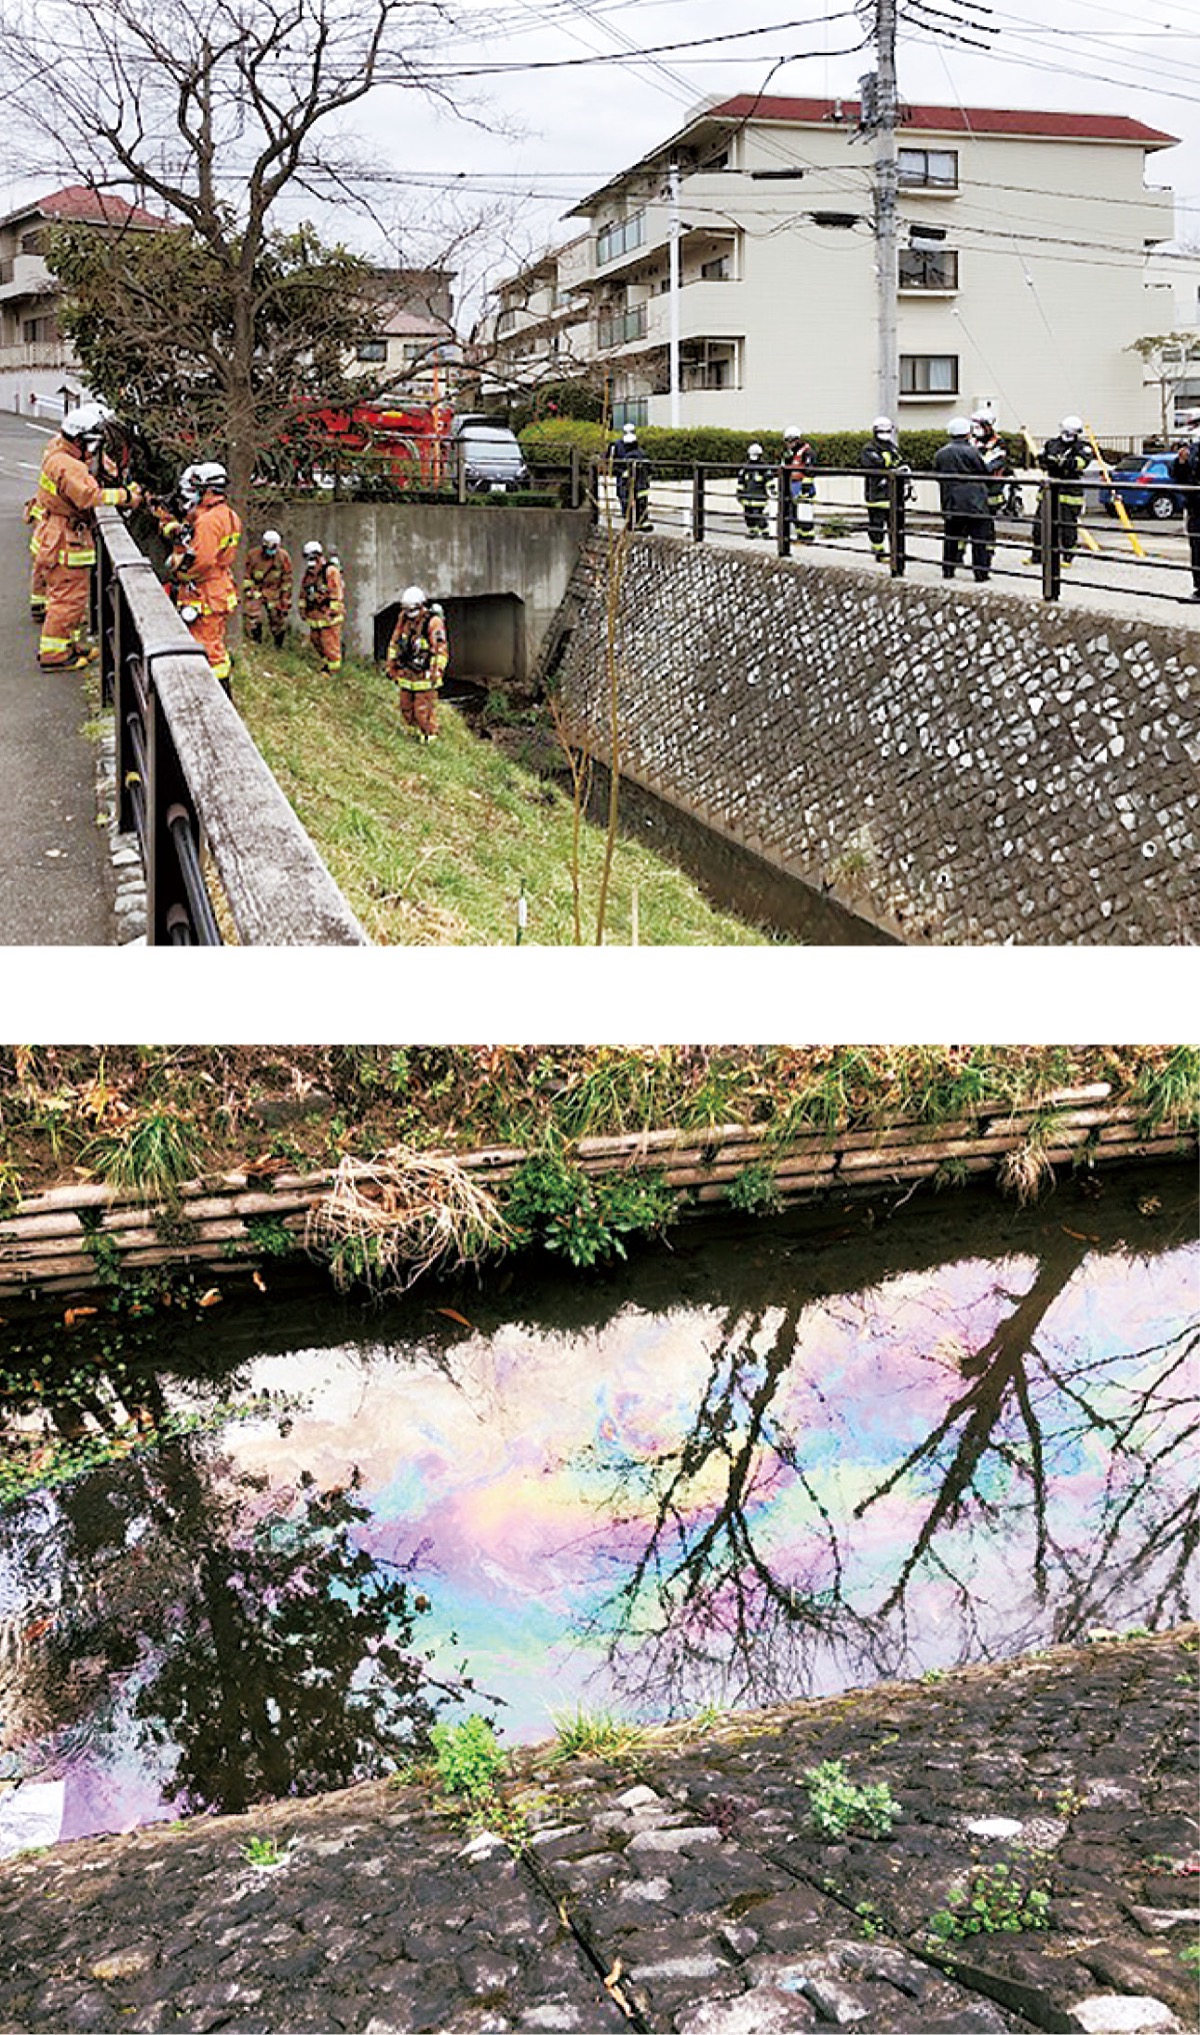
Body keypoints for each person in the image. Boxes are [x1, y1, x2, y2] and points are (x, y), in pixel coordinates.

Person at [34, 402, 141, 669]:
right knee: (67, 598)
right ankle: (55, 656)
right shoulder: (68, 465)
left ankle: (67, 644)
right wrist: (127, 496)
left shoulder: (60, 451)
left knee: (71, 596)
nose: (93, 450)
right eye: (91, 444)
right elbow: (88, 496)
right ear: (80, 440)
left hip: (59, 532)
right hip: (65, 537)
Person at [177, 460, 241, 691]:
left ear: (207, 489)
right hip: (220, 587)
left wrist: (181, 573)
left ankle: (215, 695)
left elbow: (201, 561)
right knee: (214, 643)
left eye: (196, 489)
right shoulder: (229, 515)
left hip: (206, 590)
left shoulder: (208, 522)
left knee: (206, 646)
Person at [933, 416, 992, 581]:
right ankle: (981, 573)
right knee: (979, 538)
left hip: (951, 500)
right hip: (975, 502)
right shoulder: (972, 451)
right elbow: (984, 471)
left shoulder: (941, 453)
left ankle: (948, 570)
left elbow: (937, 473)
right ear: (968, 433)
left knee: (951, 536)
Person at [386, 585, 448, 740]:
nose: (410, 614)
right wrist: (391, 665)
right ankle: (413, 734)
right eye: (406, 610)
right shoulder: (404, 619)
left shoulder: (433, 623)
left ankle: (429, 736)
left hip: (424, 674)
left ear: (421, 606)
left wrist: (436, 671)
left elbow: (440, 650)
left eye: (412, 610)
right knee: (405, 706)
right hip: (407, 672)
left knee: (422, 709)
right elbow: (395, 642)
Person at [1030, 415, 1091, 569]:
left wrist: (1061, 462)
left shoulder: (1083, 447)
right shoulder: (1052, 444)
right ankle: (1037, 555)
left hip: (1070, 491)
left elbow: (1080, 463)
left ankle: (1068, 556)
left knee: (1067, 527)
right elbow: (1043, 461)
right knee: (1039, 526)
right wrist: (1044, 460)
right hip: (1050, 490)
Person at [859, 416, 905, 563]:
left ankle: (897, 553)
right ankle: (879, 551)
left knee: (895, 525)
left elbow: (899, 461)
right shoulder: (869, 448)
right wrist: (893, 466)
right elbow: (876, 464)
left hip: (893, 493)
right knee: (876, 524)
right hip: (876, 493)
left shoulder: (892, 446)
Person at [299, 539, 345, 673]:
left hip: (329, 616)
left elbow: (336, 593)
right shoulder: (309, 574)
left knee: (330, 643)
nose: (310, 562)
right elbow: (304, 591)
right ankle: (326, 665)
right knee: (316, 641)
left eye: (312, 558)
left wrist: (332, 611)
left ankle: (333, 672)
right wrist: (302, 608)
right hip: (315, 614)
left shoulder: (330, 571)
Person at [243, 529, 293, 647]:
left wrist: (284, 598)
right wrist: (252, 592)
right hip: (257, 590)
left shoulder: (283, 557)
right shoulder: (253, 555)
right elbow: (246, 576)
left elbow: (287, 578)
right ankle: (256, 642)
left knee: (278, 619)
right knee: (253, 617)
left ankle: (278, 645)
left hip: (274, 592)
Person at [1169, 425, 1200, 601]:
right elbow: (1178, 476)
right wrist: (1181, 462)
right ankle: (1199, 589)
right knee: (1197, 550)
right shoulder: (1193, 450)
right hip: (1196, 508)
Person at [971, 409, 1015, 525]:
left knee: (986, 522)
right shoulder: (972, 441)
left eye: (979, 426)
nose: (976, 429)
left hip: (991, 488)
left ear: (988, 426)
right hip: (974, 489)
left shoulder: (998, 443)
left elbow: (992, 464)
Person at [610, 422, 651, 531]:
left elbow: (614, 464)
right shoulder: (640, 452)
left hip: (629, 480)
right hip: (637, 482)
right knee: (638, 500)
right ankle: (639, 521)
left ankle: (632, 521)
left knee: (628, 499)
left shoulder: (619, 447)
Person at [782, 424, 816, 543]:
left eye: (790, 441)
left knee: (804, 514)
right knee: (793, 513)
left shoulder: (807, 452)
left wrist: (805, 488)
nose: (788, 444)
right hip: (793, 485)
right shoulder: (792, 453)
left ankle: (807, 538)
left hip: (803, 486)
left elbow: (809, 470)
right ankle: (800, 536)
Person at [736, 442, 772, 538]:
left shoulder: (764, 468)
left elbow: (769, 480)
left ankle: (765, 531)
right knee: (748, 515)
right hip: (747, 497)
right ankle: (752, 531)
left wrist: (772, 490)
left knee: (757, 514)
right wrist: (739, 493)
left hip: (759, 497)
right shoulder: (745, 468)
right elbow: (741, 481)